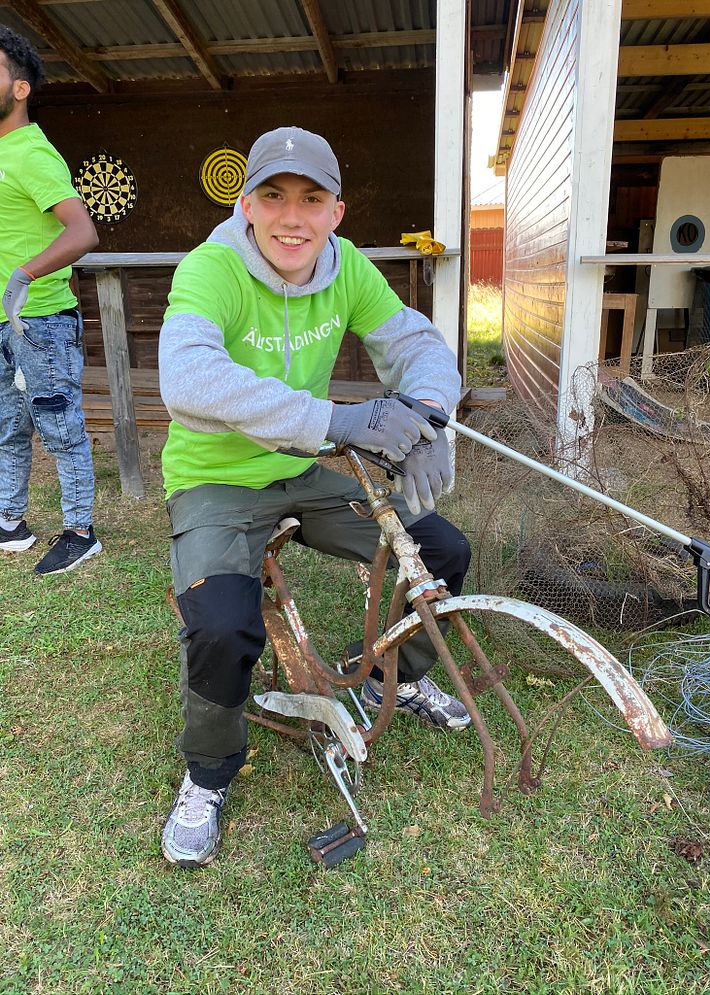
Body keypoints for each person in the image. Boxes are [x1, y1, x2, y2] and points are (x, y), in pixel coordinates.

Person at [158, 126, 472, 868]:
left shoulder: (347, 267)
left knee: (440, 550)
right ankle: (207, 773)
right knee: (223, 626)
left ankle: (402, 674)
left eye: (311, 198)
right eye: (274, 195)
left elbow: (417, 344)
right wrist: (338, 421)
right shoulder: (211, 269)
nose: (291, 216)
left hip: (300, 471)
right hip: (215, 478)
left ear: (337, 211)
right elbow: (188, 379)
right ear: (246, 205)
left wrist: (428, 416)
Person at [0, 27, 101, 575]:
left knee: (60, 426)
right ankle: (9, 521)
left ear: (19, 88)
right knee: (7, 426)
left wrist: (25, 273)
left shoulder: (32, 153)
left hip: (39, 320)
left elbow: (83, 232)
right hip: (1, 322)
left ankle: (80, 531)